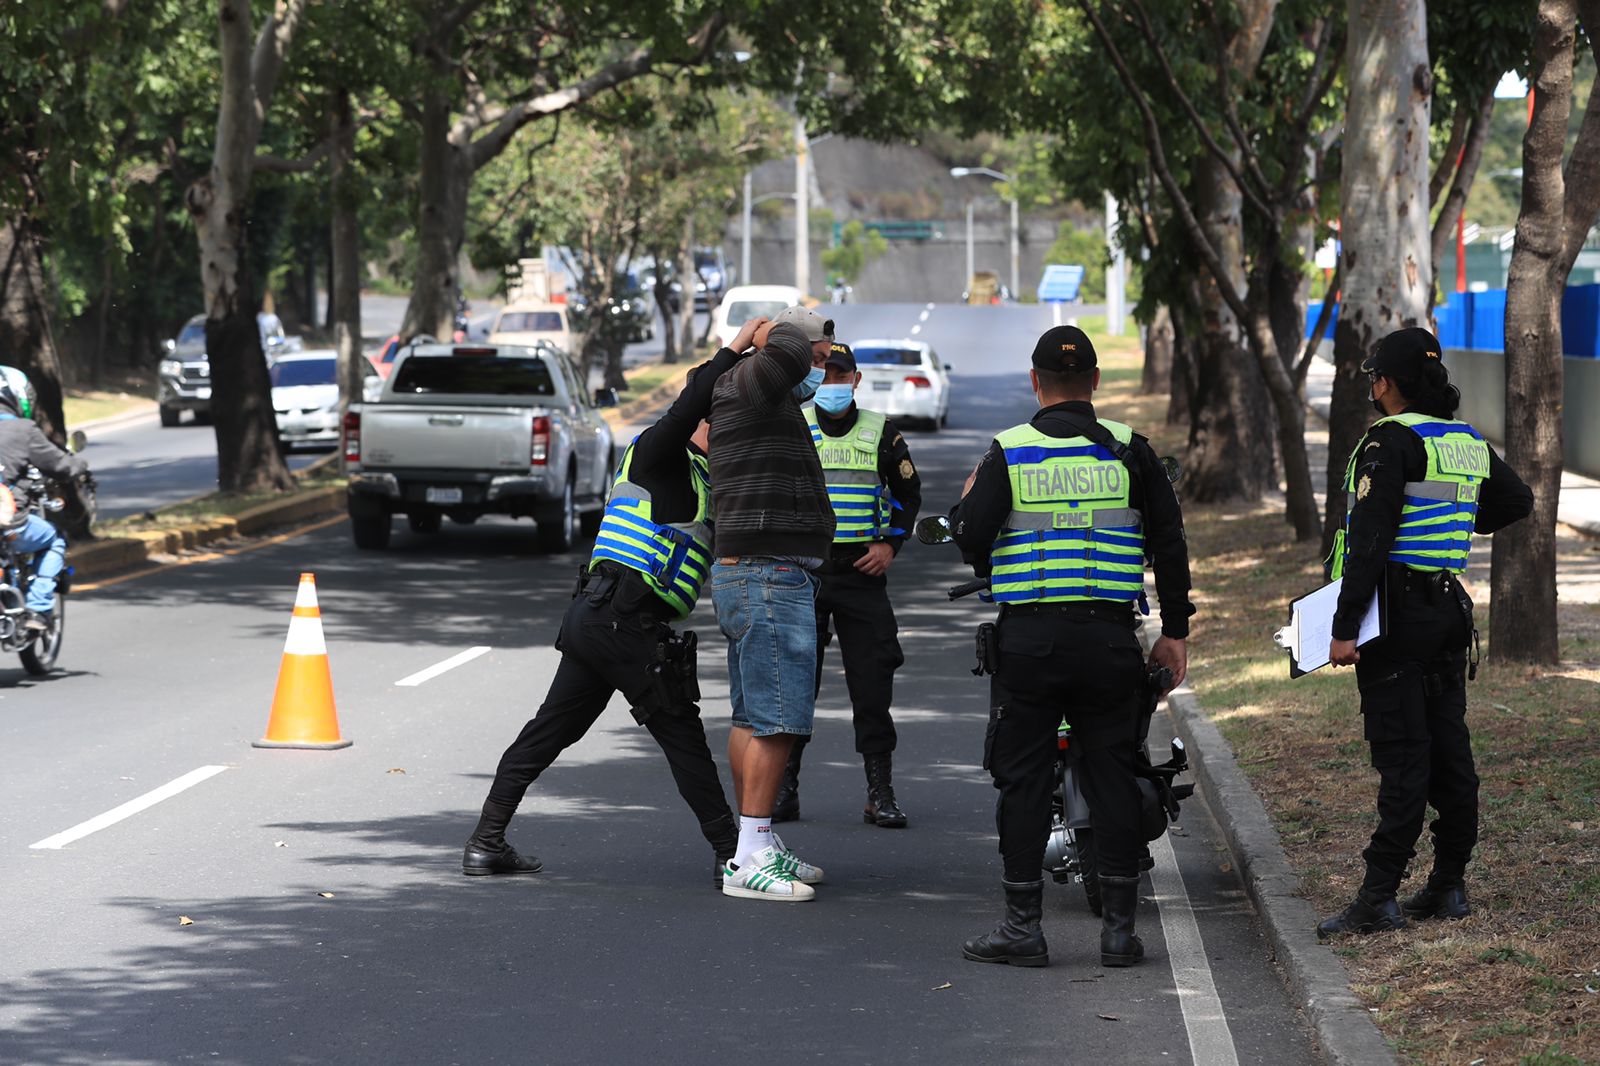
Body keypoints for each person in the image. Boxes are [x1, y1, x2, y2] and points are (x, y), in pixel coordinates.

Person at [461, 331, 759, 886]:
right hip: (621, 622)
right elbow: (690, 402)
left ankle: (486, 842)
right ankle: (731, 854)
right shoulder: (658, 454)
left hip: (603, 620)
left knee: (547, 733)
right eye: (727, 420)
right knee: (683, 737)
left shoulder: (705, 479)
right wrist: (738, 347)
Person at [948, 325, 1193, 968]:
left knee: (1023, 780)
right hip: (1108, 640)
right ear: (1094, 383)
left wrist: (974, 500)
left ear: (1035, 382)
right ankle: (1117, 932)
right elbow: (1169, 543)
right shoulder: (1129, 450)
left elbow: (970, 539)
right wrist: (1176, 631)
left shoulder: (1010, 451)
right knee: (1112, 773)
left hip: (1029, 643)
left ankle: (1023, 927)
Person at [1317, 327, 1532, 936]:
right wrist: (1461, 517)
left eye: (1371, 378)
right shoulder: (1464, 440)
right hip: (1446, 611)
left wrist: (1342, 626)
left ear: (1384, 382)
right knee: (1450, 753)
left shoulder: (1390, 440)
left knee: (1404, 758)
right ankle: (1448, 886)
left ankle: (1379, 897)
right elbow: (1516, 500)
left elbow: (1370, 541)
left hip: (1398, 615)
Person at [708, 310, 835, 901]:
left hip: (758, 572)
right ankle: (752, 853)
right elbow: (783, 349)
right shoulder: (754, 381)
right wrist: (765, 332)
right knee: (780, 717)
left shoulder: (754, 390)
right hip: (768, 574)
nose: (820, 370)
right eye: (817, 357)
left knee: (752, 716)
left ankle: (749, 843)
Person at [773, 341, 921, 828]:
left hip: (861, 573)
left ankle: (880, 792)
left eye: (841, 375)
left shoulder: (881, 432)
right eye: (825, 373)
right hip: (805, 574)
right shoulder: (793, 425)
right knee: (795, 686)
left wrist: (890, 547)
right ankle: (784, 788)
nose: (832, 383)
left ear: (856, 380)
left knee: (872, 686)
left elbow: (907, 494)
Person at [0, 366, 88, 633]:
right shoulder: (23, 430)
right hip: (9, 522)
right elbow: (60, 465)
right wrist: (80, 464)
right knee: (54, 540)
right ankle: (38, 608)